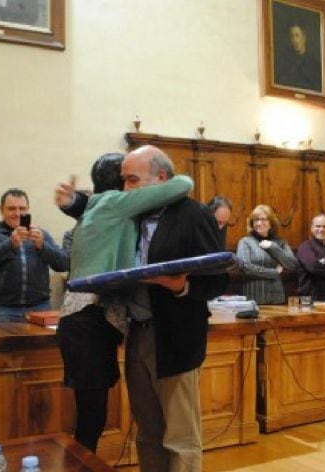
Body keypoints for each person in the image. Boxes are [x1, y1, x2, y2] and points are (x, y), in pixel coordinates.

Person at [54, 152, 194, 453]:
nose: (132, 185)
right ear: (120, 182)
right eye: (128, 178)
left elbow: (83, 203)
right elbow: (183, 183)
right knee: (91, 420)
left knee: (90, 416)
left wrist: (73, 200)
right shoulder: (117, 203)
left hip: (82, 320)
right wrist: (157, 178)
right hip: (90, 319)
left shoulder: (96, 205)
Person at [121, 145, 227, 472]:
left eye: (132, 180)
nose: (125, 188)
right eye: (123, 180)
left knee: (181, 437)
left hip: (176, 339)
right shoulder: (130, 218)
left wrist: (180, 286)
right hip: (137, 335)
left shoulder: (193, 215)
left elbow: (217, 280)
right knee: (148, 433)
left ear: (162, 178)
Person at [0, 188, 69, 322]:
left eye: (22, 209)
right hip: (3, 310)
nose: (17, 213)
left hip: (40, 307)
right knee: (4, 344)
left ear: (28, 209)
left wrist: (42, 246)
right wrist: (10, 244)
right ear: (1, 210)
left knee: (43, 344)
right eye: (11, 209)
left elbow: (64, 264)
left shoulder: (41, 235)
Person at [236, 204, 297, 305]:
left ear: (271, 223)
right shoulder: (245, 242)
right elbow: (245, 268)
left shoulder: (280, 243)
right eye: (256, 220)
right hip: (254, 300)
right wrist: (274, 272)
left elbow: (292, 265)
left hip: (277, 299)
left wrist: (273, 247)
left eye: (263, 219)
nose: (259, 223)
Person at [274, 24, 322, 92]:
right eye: (292, 36)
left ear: (304, 38)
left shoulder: (315, 65)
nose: (294, 40)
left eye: (297, 35)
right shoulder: (284, 62)